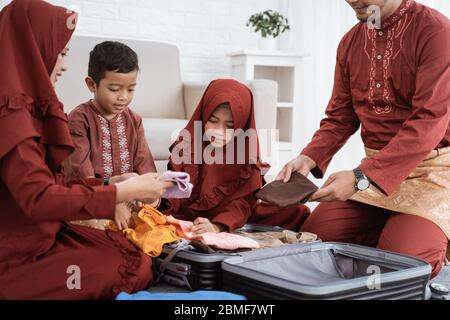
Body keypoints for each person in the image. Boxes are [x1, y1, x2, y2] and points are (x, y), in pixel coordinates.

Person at [0, 0, 172, 299]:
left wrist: (111, 184)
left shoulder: (26, 108)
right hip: (14, 248)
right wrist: (120, 194)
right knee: (126, 266)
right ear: (32, 50)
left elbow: (52, 183)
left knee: (135, 258)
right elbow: (40, 198)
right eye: (62, 53)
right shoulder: (11, 115)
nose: (64, 64)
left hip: (41, 230)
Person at [278, 0, 450, 278]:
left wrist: (361, 177)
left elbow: (428, 122)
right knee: (314, 239)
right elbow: (340, 117)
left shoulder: (437, 31)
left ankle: (416, 236)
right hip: (372, 174)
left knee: (402, 266)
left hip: (431, 175)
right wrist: (307, 158)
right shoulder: (350, 42)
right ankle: (391, 228)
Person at [164, 79, 310, 234]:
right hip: (189, 218)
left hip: (231, 219)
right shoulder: (186, 145)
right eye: (212, 121)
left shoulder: (246, 153)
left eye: (230, 126)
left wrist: (218, 226)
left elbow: (243, 203)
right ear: (203, 115)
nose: (219, 132)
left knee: (297, 211)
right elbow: (173, 196)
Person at [64, 41, 158, 230]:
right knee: (92, 226)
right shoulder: (78, 120)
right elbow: (82, 179)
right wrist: (111, 203)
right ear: (92, 84)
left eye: (131, 89)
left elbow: (146, 171)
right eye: (114, 89)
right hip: (92, 199)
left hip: (128, 200)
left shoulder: (134, 120)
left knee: (153, 220)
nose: (123, 97)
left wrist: (148, 193)